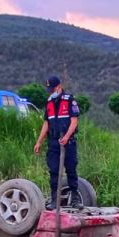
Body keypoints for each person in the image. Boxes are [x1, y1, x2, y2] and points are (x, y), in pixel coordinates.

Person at [32, 75, 81, 210]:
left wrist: (66, 136)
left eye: (52, 89)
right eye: (49, 89)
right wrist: (39, 142)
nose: (50, 92)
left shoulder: (70, 100)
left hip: (68, 142)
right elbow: (46, 124)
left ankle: (75, 198)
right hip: (53, 142)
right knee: (54, 171)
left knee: (71, 169)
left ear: (59, 87)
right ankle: (55, 199)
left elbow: (74, 121)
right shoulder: (49, 103)